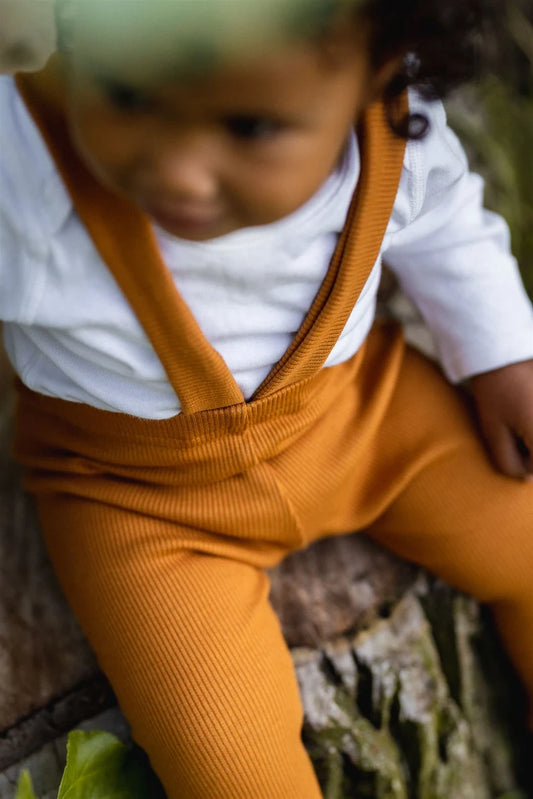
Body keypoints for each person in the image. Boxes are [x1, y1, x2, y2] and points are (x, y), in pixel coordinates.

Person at [1, 0, 532, 795]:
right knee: (232, 770)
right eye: (127, 97)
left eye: (249, 127)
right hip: (143, 507)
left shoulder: (393, 126)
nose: (175, 169)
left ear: (379, 73)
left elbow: (445, 222)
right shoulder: (31, 170)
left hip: (362, 415)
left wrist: (503, 357)